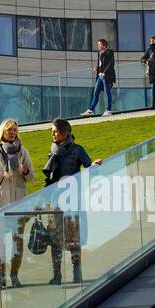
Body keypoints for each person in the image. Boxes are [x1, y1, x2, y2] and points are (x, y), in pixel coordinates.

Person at [42, 118, 102, 285]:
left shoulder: (77, 150)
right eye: (52, 132)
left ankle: (77, 272)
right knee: (54, 238)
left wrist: (94, 165)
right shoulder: (53, 150)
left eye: (55, 131)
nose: (53, 134)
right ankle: (57, 275)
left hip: (72, 201)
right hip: (55, 202)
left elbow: (90, 169)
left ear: (65, 133)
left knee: (74, 237)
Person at [0, 118, 34, 291]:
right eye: (9, 130)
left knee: (17, 240)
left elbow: (31, 177)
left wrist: (25, 171)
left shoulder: (22, 152)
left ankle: (14, 275)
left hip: (18, 202)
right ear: (2, 132)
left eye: (15, 130)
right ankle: (1, 275)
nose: (13, 133)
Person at [81, 38, 116, 117]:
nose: (98, 46)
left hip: (106, 76)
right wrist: (98, 68)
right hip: (100, 76)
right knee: (95, 93)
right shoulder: (100, 53)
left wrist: (104, 72)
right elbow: (102, 64)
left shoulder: (109, 52)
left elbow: (110, 63)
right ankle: (91, 110)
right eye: (98, 44)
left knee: (107, 93)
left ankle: (108, 110)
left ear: (104, 45)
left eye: (100, 44)